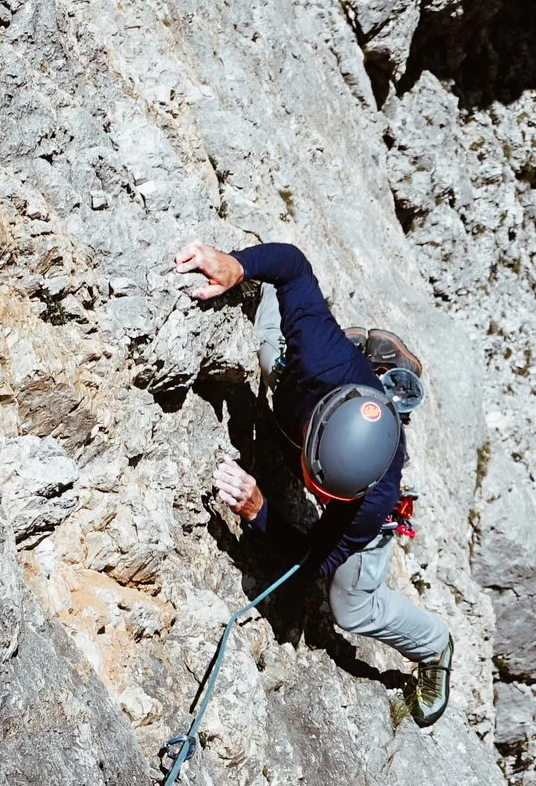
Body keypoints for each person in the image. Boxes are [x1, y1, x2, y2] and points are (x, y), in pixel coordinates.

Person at [174, 238, 452, 727]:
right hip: (313, 389)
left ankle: (434, 646)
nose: (312, 491)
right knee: (268, 352)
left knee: (350, 606)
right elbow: (293, 267)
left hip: (360, 496)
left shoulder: (373, 501)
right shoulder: (323, 357)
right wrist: (238, 267)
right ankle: (379, 373)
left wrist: (259, 511)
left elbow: (308, 562)